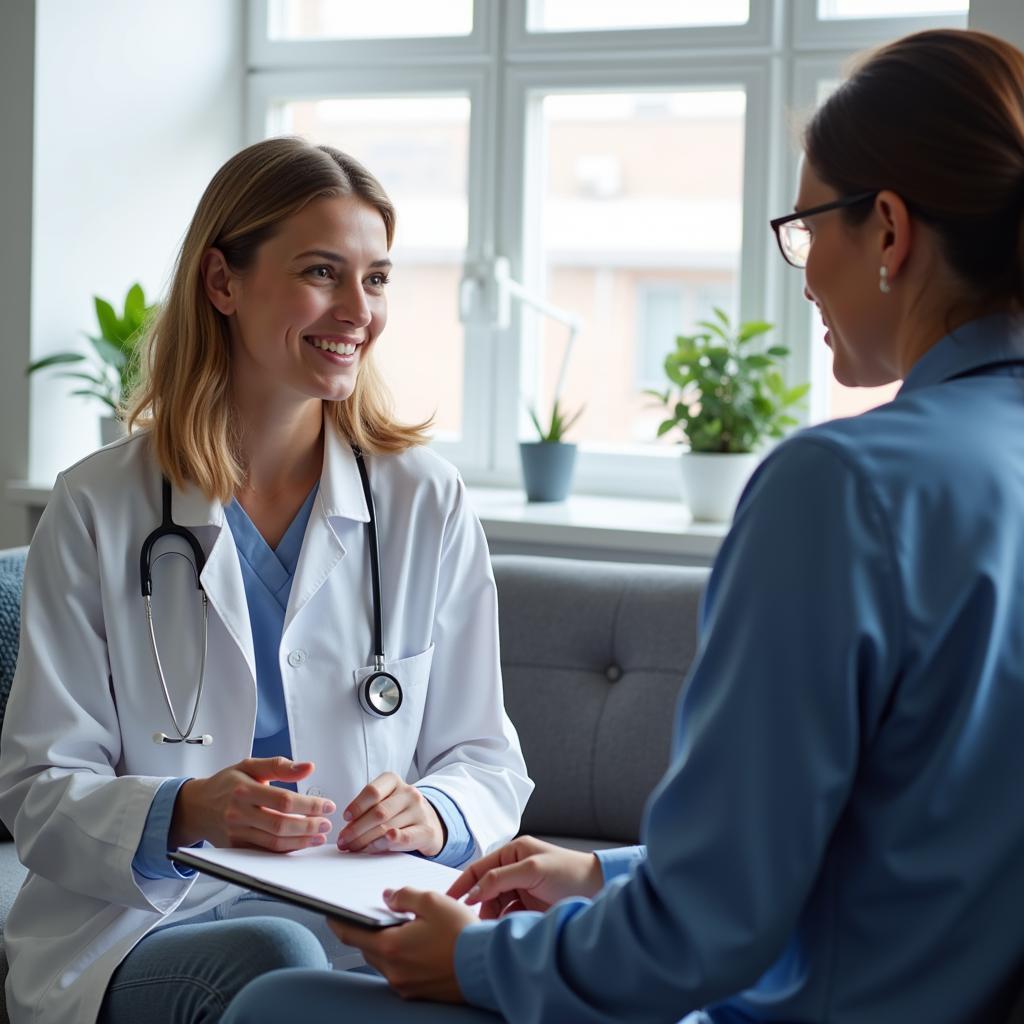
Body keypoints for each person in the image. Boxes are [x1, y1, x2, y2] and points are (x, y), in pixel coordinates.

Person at [220, 27, 1024, 1024]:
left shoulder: (841, 488)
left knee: (274, 1008)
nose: (806, 270)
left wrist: (478, 960)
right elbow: (878, 844)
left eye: (810, 225)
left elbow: (705, 932)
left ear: (891, 231)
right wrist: (603, 874)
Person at [0, 137, 533, 1024]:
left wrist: (432, 813)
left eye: (378, 278)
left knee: (525, 950)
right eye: (323, 272)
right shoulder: (99, 507)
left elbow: (486, 759)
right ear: (223, 283)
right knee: (277, 962)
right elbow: (40, 789)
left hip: (361, 906)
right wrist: (183, 811)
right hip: (144, 923)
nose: (358, 310)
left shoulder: (422, 500)